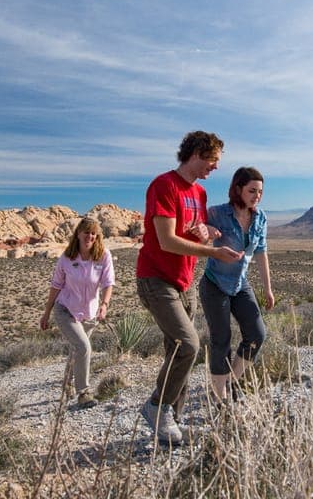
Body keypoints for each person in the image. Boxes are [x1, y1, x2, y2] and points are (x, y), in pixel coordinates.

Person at [136, 131, 243, 445]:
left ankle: (171, 424)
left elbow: (192, 233)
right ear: (197, 152)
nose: (215, 167)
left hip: (185, 282)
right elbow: (167, 241)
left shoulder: (199, 193)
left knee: (177, 352)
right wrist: (212, 252)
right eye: (213, 160)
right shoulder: (164, 185)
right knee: (188, 345)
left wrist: (206, 233)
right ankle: (157, 407)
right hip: (156, 279)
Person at [200, 167, 275, 404]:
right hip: (215, 284)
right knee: (221, 339)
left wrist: (268, 289)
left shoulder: (261, 218)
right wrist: (207, 231)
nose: (257, 196)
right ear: (238, 189)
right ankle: (220, 398)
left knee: (257, 334)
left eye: (260, 192)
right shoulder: (218, 213)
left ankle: (231, 380)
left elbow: (261, 253)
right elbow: (196, 233)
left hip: (240, 284)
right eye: (252, 190)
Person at [40, 217, 115, 409]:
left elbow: (108, 283)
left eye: (93, 233)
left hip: (90, 314)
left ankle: (67, 385)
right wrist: (46, 313)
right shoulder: (67, 258)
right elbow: (56, 286)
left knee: (77, 351)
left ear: (97, 235)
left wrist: (104, 304)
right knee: (83, 347)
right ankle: (84, 393)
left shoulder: (103, 255)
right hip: (66, 309)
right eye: (86, 232)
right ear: (78, 234)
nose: (89, 236)